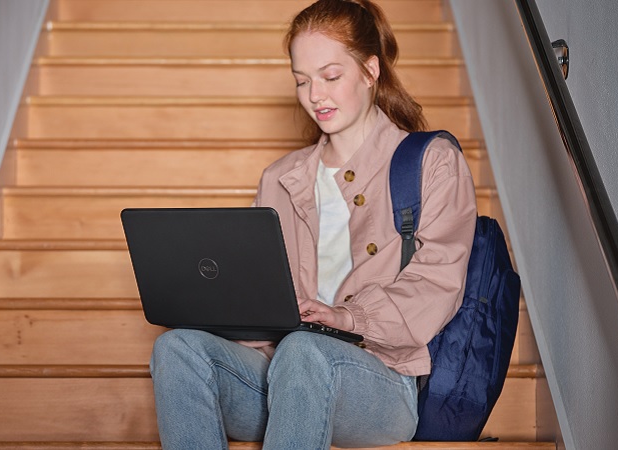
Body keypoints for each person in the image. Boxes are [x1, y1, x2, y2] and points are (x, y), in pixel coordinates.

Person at [149, 0, 477, 448]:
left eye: (330, 76)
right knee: (177, 347)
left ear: (370, 70)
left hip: (380, 380)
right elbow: (256, 290)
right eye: (302, 81)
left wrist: (346, 316)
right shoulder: (279, 179)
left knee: (304, 351)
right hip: (281, 372)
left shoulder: (432, 162)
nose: (315, 96)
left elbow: (438, 283)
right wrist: (219, 309)